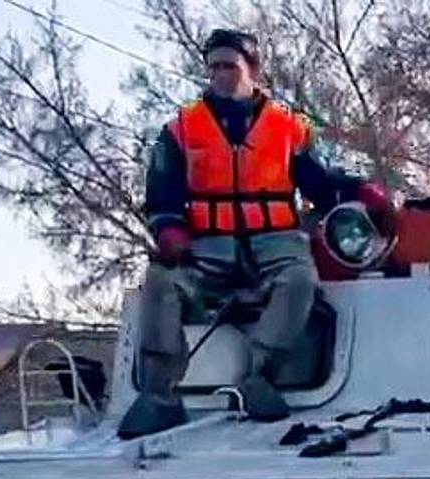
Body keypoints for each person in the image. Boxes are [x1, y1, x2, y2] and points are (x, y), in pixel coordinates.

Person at [119, 29, 394, 439]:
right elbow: (161, 191)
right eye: (213, 67)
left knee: (300, 280)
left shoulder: (288, 128)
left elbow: (319, 183)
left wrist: (360, 191)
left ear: (252, 69)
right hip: (208, 244)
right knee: (162, 280)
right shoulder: (181, 128)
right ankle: (159, 395)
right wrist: (170, 229)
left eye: (230, 66)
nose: (220, 75)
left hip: (275, 242)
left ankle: (256, 374)